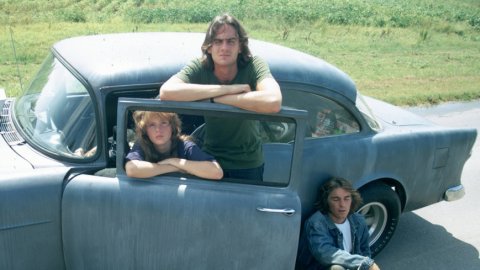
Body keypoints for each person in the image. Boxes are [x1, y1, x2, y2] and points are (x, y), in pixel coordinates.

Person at [159, 13, 282, 181]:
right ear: (209, 47)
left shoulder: (253, 65)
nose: (224, 47)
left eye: (231, 41)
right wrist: (228, 89)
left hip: (248, 163)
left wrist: (215, 99)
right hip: (211, 161)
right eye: (218, 41)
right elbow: (167, 92)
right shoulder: (200, 66)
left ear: (240, 46)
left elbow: (273, 102)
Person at [296, 177, 381, 270]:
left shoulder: (359, 221)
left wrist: (366, 265)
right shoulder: (316, 223)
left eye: (347, 198)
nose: (342, 204)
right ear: (326, 201)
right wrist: (365, 263)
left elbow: (365, 251)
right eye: (336, 199)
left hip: (349, 267)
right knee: (337, 268)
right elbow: (326, 254)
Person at [125, 111, 223, 180]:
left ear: (172, 126)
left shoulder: (185, 146)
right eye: (152, 125)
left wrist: (176, 161)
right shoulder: (142, 144)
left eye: (164, 123)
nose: (158, 129)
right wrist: (175, 168)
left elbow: (216, 172)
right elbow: (131, 169)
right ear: (145, 130)